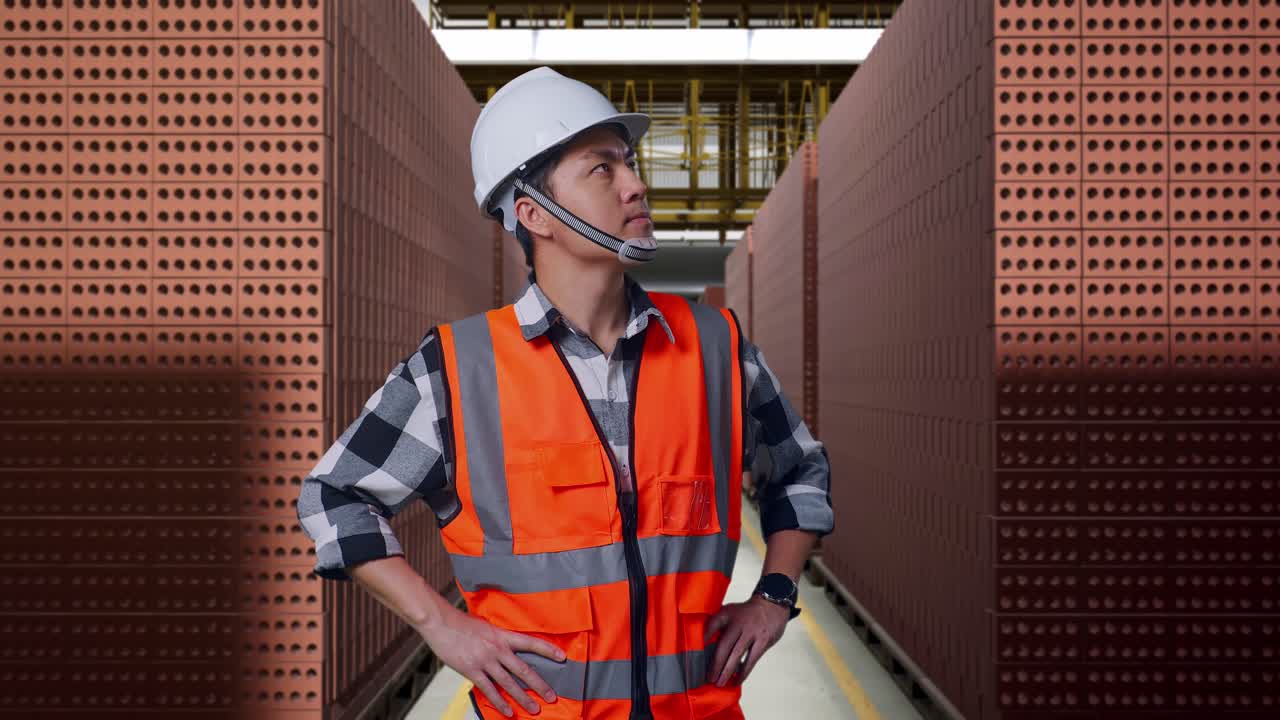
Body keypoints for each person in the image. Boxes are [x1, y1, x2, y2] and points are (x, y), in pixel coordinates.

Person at [296, 66, 834, 720]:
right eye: (602, 169)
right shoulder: (458, 371)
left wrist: (774, 596)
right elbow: (334, 495)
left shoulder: (714, 347)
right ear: (533, 214)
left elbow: (800, 469)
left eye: (629, 163)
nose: (636, 184)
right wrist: (441, 625)